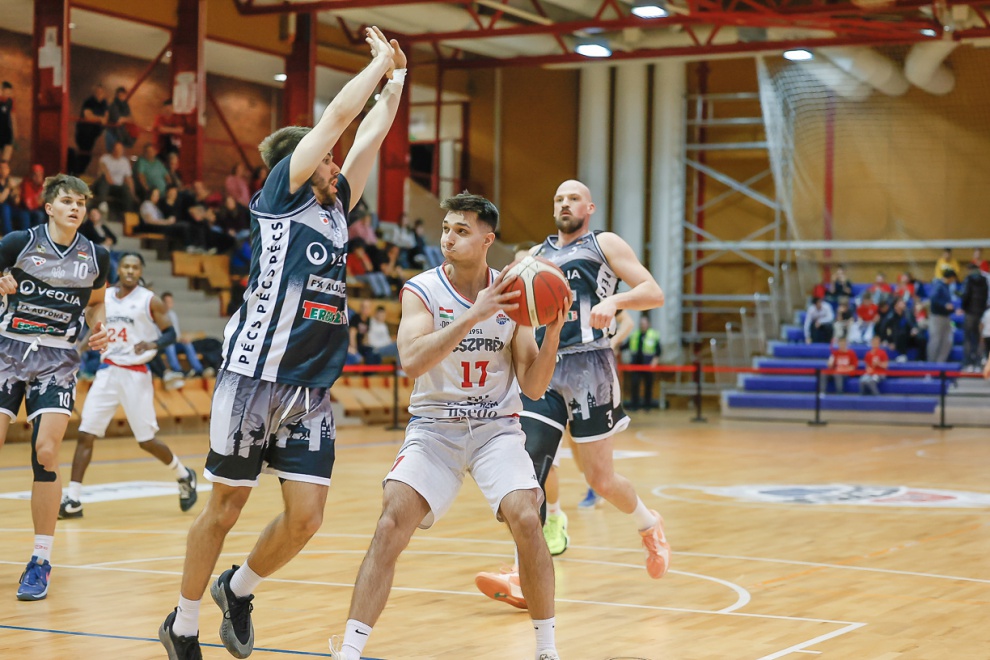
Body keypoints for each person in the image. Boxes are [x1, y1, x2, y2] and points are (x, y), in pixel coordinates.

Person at [157, 27, 406, 660]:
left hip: (309, 388)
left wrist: (398, 79)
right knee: (225, 507)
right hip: (254, 376)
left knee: (307, 518)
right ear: (301, 161)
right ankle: (182, 624)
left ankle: (236, 589)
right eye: (327, 157)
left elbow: (369, 136)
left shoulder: (334, 208)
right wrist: (376, 63)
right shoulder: (280, 193)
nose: (336, 163)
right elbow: (340, 117)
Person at [327, 192, 567, 660]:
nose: (448, 239)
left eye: (461, 230)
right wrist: (474, 314)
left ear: (487, 240)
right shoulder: (422, 290)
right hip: (435, 427)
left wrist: (552, 332)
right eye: (446, 229)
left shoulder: (514, 295)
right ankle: (350, 651)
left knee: (526, 516)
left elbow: (534, 387)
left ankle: (546, 649)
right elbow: (412, 361)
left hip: (496, 428)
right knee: (391, 521)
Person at [475, 179, 670, 613]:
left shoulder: (605, 244)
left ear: (589, 207)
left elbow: (653, 292)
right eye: (559, 199)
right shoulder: (534, 257)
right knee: (529, 470)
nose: (565, 204)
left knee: (601, 480)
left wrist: (616, 301)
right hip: (545, 365)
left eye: (574, 198)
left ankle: (648, 523)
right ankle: (521, 574)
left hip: (591, 368)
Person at [0, 173, 110, 600]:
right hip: (8, 350)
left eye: (80, 203)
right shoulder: (19, 243)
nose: (75, 208)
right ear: (49, 207)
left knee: (46, 451)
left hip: (58, 358)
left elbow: (97, 304)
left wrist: (99, 328)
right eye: (66, 201)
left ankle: (40, 560)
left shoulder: (96, 256)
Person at [59, 253, 197, 519]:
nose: (130, 271)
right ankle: (73, 498)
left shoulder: (149, 300)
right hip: (107, 371)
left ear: (140, 271)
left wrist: (153, 343)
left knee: (146, 441)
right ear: (119, 270)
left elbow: (171, 333)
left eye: (135, 267)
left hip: (136, 374)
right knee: (86, 433)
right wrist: (80, 348)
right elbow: (97, 328)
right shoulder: (107, 296)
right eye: (126, 266)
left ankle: (183, 474)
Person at [625, 313, 662, 410]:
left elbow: (658, 351)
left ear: (648, 324)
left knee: (648, 385)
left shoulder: (653, 335)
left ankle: (647, 405)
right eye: (641, 324)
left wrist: (654, 361)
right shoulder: (635, 335)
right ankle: (634, 405)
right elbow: (626, 346)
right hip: (636, 364)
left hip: (648, 365)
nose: (643, 325)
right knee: (634, 384)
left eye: (645, 323)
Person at [960, 263, 988, 372]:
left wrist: (963, 307)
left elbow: (965, 295)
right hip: (980, 313)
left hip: (970, 313)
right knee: (978, 339)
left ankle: (968, 364)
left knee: (967, 339)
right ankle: (977, 364)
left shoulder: (969, 280)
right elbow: (985, 297)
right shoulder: (984, 280)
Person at [928, 268, 957, 363]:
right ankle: (931, 364)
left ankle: (940, 363)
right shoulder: (938, 285)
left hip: (946, 316)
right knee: (935, 340)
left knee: (947, 341)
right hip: (937, 317)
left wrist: (953, 310)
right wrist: (944, 305)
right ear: (951, 277)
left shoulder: (946, 286)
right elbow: (933, 299)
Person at [0, 81, 15, 163]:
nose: (8, 94)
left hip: (7, 132)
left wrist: (15, 132)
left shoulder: (10, 102)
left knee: (5, 160)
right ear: (2, 90)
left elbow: (12, 116)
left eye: (10, 92)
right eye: (7, 92)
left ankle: (4, 167)